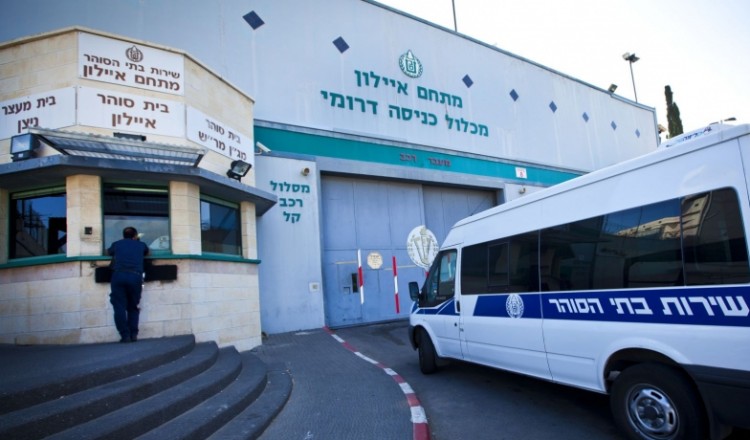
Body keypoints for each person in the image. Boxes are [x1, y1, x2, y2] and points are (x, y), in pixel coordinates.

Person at [108, 226, 150, 343]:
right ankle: (133, 334)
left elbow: (108, 252)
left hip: (118, 276)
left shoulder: (117, 244)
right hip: (135, 276)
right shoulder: (141, 245)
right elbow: (147, 252)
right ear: (135, 236)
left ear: (123, 235)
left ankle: (125, 335)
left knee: (119, 307)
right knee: (133, 306)